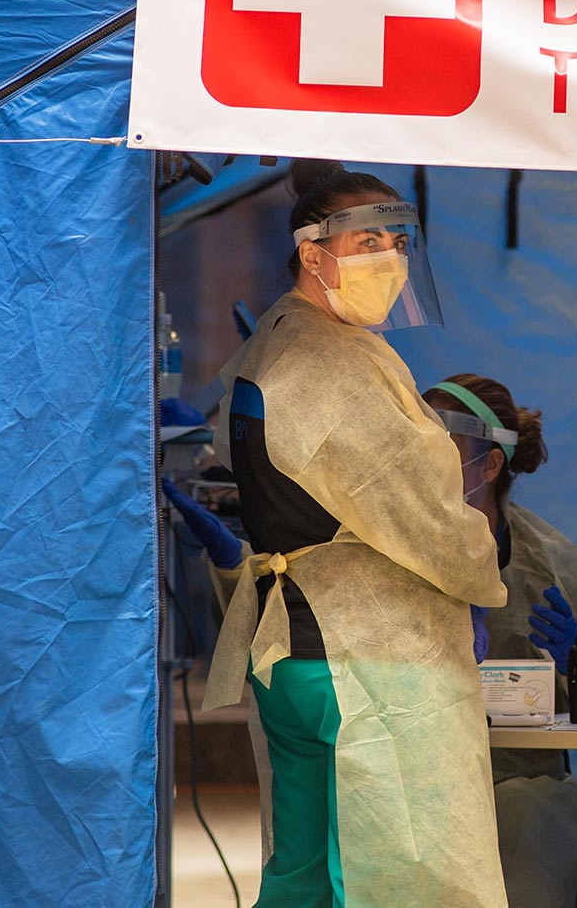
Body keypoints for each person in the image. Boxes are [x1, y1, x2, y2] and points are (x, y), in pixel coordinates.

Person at [192, 158, 511, 908]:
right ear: (313, 253)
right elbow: (421, 514)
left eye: (397, 242)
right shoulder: (333, 361)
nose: (390, 261)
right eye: (368, 242)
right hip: (366, 662)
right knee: (396, 879)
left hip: (289, 658)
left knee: (301, 873)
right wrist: (482, 575)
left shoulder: (274, 337)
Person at [420, 374, 577, 908]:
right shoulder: (394, 549)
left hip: (524, 787)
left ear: (490, 465)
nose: (419, 457)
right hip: (419, 780)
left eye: (439, 444)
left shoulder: (549, 562)